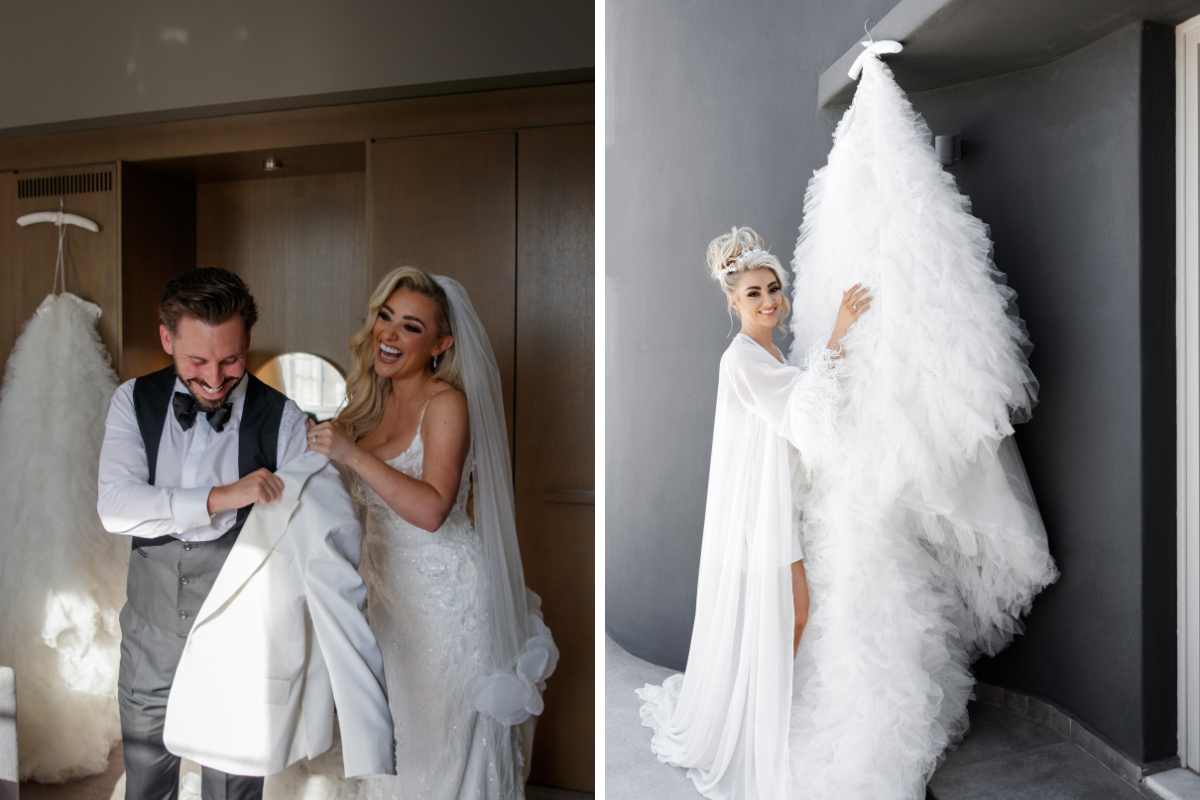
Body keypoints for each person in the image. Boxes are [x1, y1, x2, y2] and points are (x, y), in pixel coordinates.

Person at [636, 227, 868, 800]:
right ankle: (757, 723)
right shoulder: (742, 357)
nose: (769, 301)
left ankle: (764, 711)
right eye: (754, 294)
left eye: (774, 290)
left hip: (775, 502)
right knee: (790, 610)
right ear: (732, 303)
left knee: (785, 612)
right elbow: (804, 410)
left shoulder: (769, 350)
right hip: (758, 513)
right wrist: (840, 331)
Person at [307, 267, 556, 800]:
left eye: (411, 327)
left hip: (446, 603)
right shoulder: (363, 409)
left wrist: (348, 452)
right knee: (387, 739)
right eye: (385, 317)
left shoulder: (447, 405)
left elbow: (432, 509)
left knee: (435, 747)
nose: (389, 335)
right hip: (383, 599)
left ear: (440, 344)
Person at [97, 268, 312, 800]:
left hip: (243, 641)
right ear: (167, 339)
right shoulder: (132, 401)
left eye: (231, 359)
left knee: (234, 789)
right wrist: (223, 497)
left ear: (246, 343)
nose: (215, 380)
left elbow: (307, 534)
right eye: (196, 362)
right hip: (150, 637)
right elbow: (115, 507)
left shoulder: (284, 421)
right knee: (145, 783)